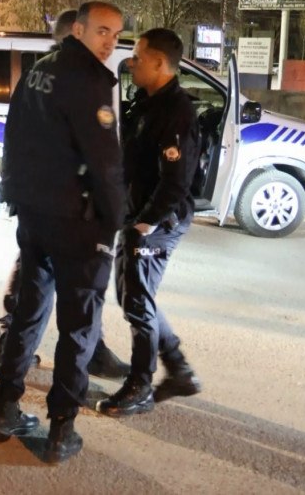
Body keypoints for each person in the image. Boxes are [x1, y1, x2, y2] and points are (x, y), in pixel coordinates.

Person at [0, 1, 127, 464]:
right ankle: (61, 429)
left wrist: (13, 192)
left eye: (116, 35)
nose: (110, 42)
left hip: (35, 215)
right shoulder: (87, 81)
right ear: (79, 30)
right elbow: (105, 162)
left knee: (29, 311)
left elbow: (13, 134)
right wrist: (116, 221)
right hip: (76, 221)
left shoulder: (39, 70)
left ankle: (5, 410)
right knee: (78, 327)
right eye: (103, 31)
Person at [96, 28, 203, 417]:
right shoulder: (146, 102)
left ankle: (140, 385)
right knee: (133, 298)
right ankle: (180, 371)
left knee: (138, 302)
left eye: (138, 57)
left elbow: (176, 181)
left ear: (159, 63)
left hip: (156, 222)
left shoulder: (176, 112)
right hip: (136, 214)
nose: (131, 62)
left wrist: (146, 224)